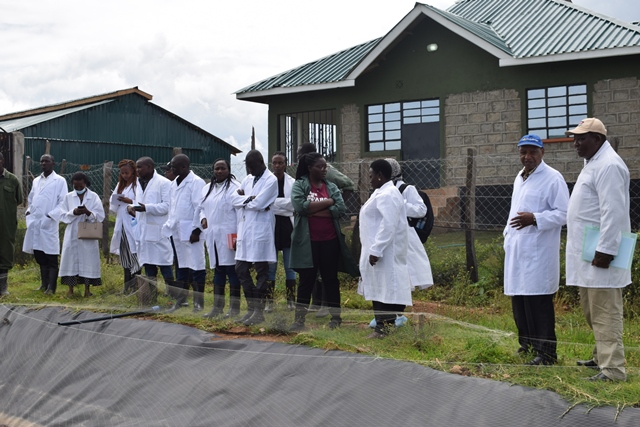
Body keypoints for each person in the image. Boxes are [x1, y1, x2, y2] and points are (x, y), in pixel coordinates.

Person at [565, 118, 631, 382]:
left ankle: (613, 370)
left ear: (598, 139)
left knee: (605, 312)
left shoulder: (610, 165)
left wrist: (606, 250)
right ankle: (600, 357)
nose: (576, 143)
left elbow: (614, 211)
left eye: (582, 138)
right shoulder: (593, 162)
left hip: (602, 253)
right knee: (593, 310)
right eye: (575, 138)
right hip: (589, 254)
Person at [503, 135, 569, 366]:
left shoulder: (553, 178)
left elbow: (564, 213)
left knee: (538, 302)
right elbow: (514, 210)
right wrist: (506, 237)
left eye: (532, 152)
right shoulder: (519, 177)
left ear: (542, 153)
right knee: (520, 300)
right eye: (523, 152)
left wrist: (536, 219)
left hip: (538, 251)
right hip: (518, 249)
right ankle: (527, 345)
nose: (527, 157)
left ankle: (547, 353)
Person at [289, 152, 358, 331]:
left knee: (330, 279)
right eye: (320, 167)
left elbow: (340, 209)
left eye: (325, 166)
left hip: (330, 241)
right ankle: (299, 320)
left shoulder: (331, 186)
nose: (324, 169)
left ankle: (336, 319)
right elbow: (300, 206)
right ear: (310, 168)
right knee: (306, 280)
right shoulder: (300, 185)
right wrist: (328, 202)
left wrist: (312, 210)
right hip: (308, 242)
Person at [367, 158, 434, 329]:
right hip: (389, 237)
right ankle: (388, 315)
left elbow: (421, 209)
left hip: (404, 237)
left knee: (404, 276)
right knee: (390, 276)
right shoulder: (381, 190)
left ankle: (397, 314)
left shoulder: (406, 189)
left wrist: (400, 204)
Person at [358, 159, 412, 339]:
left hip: (383, 252)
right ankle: (382, 326)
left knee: (385, 289)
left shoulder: (388, 194)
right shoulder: (381, 192)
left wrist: (376, 250)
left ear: (380, 176)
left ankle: (383, 328)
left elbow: (388, 225)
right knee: (379, 288)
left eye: (372, 175)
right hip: (378, 251)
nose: (370, 179)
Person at [230, 150, 278, 326]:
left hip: (260, 232)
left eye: (251, 166)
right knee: (241, 269)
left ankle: (258, 312)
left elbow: (260, 203)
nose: (248, 170)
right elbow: (233, 199)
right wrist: (248, 199)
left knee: (261, 273)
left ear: (260, 162)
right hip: (245, 231)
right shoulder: (248, 179)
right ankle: (251, 308)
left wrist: (245, 200)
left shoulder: (271, 180)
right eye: (247, 167)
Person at [163, 154, 206, 312]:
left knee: (196, 266)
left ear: (184, 167)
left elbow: (199, 207)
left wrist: (196, 230)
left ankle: (198, 302)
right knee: (181, 266)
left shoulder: (196, 182)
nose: (172, 169)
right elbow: (172, 208)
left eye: (174, 167)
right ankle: (181, 300)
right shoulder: (174, 184)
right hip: (177, 231)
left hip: (192, 231)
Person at [200, 158, 242, 319]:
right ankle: (217, 308)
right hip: (213, 235)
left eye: (222, 168)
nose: (219, 171)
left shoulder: (236, 188)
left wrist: (239, 236)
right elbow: (201, 208)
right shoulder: (206, 189)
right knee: (218, 271)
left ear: (228, 169)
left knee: (232, 272)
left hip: (230, 234)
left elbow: (240, 213)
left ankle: (234, 309)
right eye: (216, 168)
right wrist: (202, 218)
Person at [54, 172, 105, 297]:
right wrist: (74, 212)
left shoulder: (93, 197)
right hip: (72, 232)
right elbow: (62, 216)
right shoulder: (68, 197)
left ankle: (87, 290)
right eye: (75, 186)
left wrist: (88, 212)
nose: (78, 189)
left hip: (88, 233)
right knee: (71, 260)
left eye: (80, 187)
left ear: (86, 184)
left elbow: (100, 216)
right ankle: (70, 290)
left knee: (88, 260)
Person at [130, 157, 174, 304]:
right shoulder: (139, 183)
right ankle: (151, 297)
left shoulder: (164, 183)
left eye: (139, 167)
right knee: (148, 265)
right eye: (136, 168)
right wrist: (134, 209)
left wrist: (147, 208)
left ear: (149, 167)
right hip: (144, 231)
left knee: (165, 265)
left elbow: (167, 206)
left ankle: (173, 296)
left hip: (158, 231)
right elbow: (139, 203)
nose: (137, 170)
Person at [23, 154, 68, 295]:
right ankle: (43, 284)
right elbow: (31, 198)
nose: (43, 163)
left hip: (49, 223)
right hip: (35, 222)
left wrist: (50, 215)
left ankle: (52, 287)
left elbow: (63, 202)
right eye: (42, 161)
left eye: (47, 161)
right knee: (40, 255)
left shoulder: (59, 181)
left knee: (51, 256)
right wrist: (29, 211)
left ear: (53, 163)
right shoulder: (36, 180)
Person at [265, 151, 297, 312]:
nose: (277, 166)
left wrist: (274, 204)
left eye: (280, 163)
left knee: (290, 265)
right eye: (274, 163)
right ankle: (269, 302)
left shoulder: (292, 182)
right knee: (271, 265)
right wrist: (282, 205)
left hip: (287, 227)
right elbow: (263, 202)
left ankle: (291, 300)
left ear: (285, 164)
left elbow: (294, 204)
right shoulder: (266, 182)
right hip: (271, 226)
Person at [109, 159, 141, 294]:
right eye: (122, 173)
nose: (125, 176)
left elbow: (142, 203)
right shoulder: (120, 186)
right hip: (122, 225)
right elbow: (113, 206)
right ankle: (127, 286)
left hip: (133, 225)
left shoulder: (138, 185)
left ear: (133, 171)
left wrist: (130, 201)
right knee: (124, 256)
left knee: (135, 255)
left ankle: (136, 285)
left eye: (127, 173)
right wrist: (116, 200)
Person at [0, 152, 23, 296]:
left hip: (6, 225)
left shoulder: (12, 180)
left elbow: (19, 199)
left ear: (2, 161)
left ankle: (2, 287)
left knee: (5, 254)